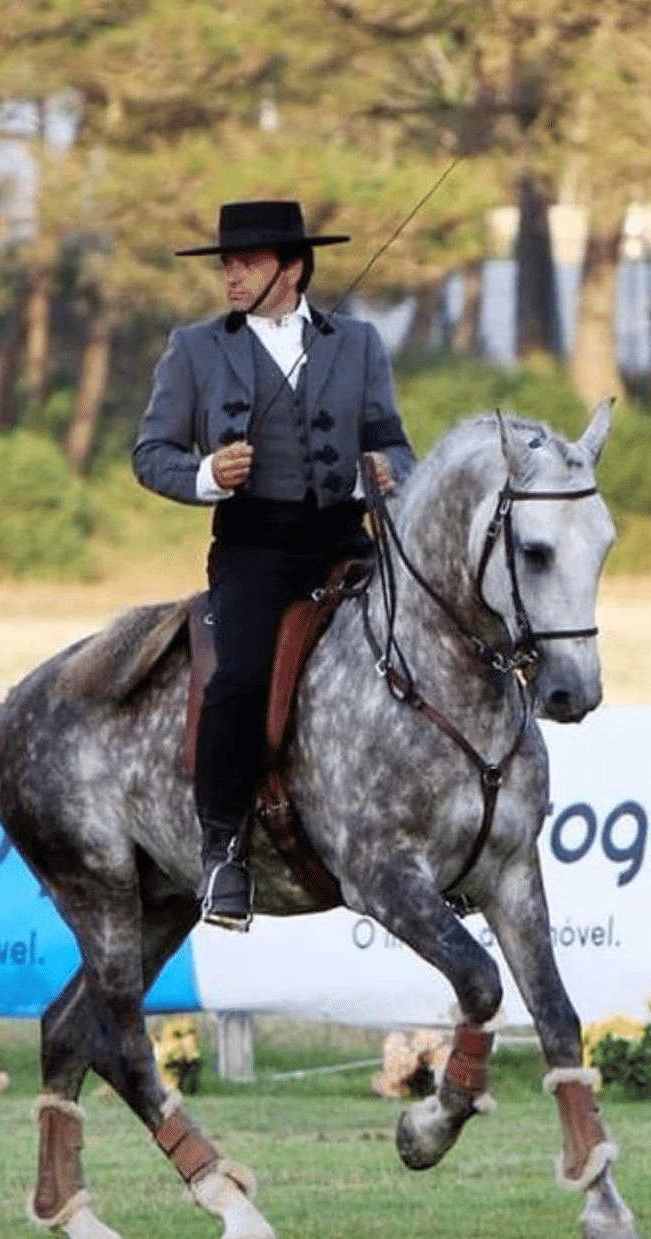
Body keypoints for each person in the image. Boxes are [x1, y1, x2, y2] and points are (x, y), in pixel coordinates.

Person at [133, 199, 416, 932]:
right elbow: (149, 455)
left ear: (290, 268)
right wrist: (206, 475)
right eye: (225, 264)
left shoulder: (357, 342)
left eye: (246, 264)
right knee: (240, 678)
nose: (230, 276)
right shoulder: (194, 349)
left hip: (346, 540)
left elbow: (396, 442)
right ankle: (223, 849)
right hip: (255, 550)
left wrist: (386, 470)